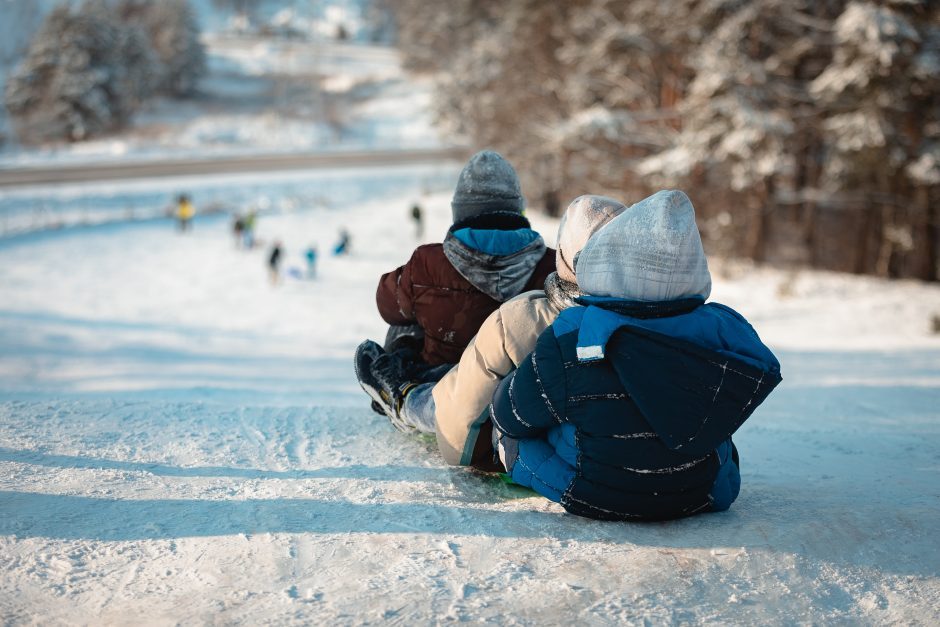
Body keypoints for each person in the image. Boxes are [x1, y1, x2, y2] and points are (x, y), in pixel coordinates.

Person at [489, 190, 783, 521]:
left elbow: (511, 414)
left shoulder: (573, 331)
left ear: (605, 262)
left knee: (513, 438)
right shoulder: (721, 332)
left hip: (597, 496)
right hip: (703, 493)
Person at [360, 195, 627, 468]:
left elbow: (460, 440)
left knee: (477, 392)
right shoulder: (668, 319)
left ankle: (405, 398)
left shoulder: (529, 317)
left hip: (568, 467)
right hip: (659, 478)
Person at [354, 149, 556, 433]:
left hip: (441, 380)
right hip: (519, 387)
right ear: (517, 209)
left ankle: (404, 394)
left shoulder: (427, 262)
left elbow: (387, 306)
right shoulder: (553, 265)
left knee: (405, 323)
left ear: (459, 211)